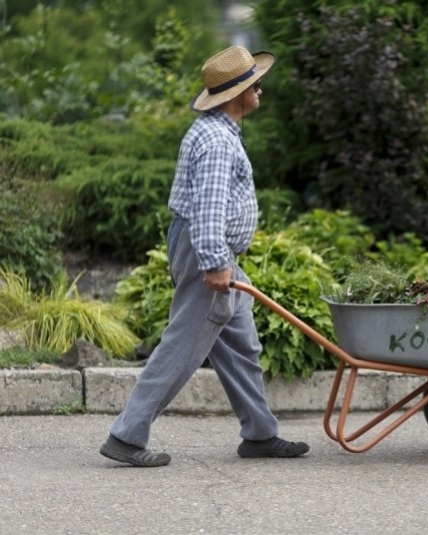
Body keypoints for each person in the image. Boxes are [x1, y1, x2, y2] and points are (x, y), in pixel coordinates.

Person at [99, 45, 309, 467]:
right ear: (237, 94)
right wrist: (215, 262)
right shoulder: (216, 141)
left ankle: (260, 434)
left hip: (214, 249)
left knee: (240, 343)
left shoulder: (217, 130)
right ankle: (127, 434)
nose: (261, 90)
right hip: (206, 251)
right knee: (184, 345)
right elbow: (208, 210)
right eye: (255, 83)